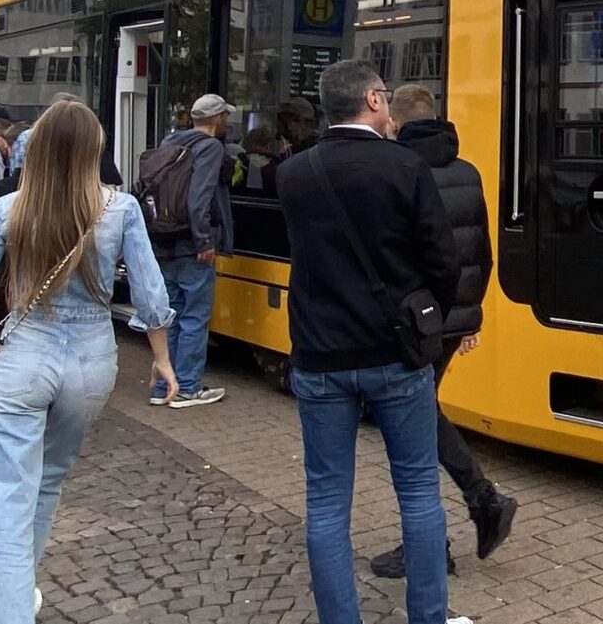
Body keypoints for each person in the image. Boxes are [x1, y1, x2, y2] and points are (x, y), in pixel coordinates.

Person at [0, 99, 176, 624]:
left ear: (36, 148)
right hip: (92, 361)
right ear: (97, 150)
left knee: (10, 503)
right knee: (46, 482)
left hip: (24, 357)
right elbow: (151, 296)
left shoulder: (9, 208)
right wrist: (161, 358)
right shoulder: (123, 208)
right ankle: (19, 594)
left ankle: (9, 609)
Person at [277, 61, 466, 624]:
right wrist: (426, 308)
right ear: (374, 100)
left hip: (319, 354)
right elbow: (442, 258)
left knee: (327, 502)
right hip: (395, 353)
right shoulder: (404, 166)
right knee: (417, 493)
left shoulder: (294, 173)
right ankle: (428, 617)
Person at [369, 85, 519, 582]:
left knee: (409, 422)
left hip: (414, 320)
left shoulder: (395, 171)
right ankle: (480, 506)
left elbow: (396, 258)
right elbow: (480, 250)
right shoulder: (468, 170)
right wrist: (467, 316)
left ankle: (450, 530)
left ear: (396, 122)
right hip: (451, 318)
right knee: (420, 413)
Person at [145, 94, 234, 410]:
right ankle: (188, 388)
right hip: (191, 247)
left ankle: (162, 389)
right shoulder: (210, 147)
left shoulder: (170, 141)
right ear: (218, 118)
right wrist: (205, 242)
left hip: (163, 243)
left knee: (171, 316)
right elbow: (199, 199)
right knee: (195, 317)